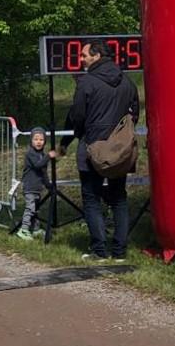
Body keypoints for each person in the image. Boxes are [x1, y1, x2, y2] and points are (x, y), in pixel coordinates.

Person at [61, 40, 139, 261]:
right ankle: (120, 251)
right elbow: (134, 113)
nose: (81, 59)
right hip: (120, 150)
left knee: (92, 199)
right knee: (119, 198)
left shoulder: (87, 83)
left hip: (91, 147)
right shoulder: (127, 82)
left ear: (96, 56)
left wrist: (77, 136)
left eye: (84, 55)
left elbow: (77, 116)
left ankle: (99, 250)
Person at [17, 127, 56, 240]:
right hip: (30, 187)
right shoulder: (30, 154)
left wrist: (48, 185)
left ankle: (35, 229)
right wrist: (48, 156)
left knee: (36, 210)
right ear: (31, 141)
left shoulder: (42, 155)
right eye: (36, 139)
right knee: (30, 209)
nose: (39, 142)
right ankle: (23, 229)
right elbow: (38, 165)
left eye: (41, 140)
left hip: (37, 188)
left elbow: (43, 172)